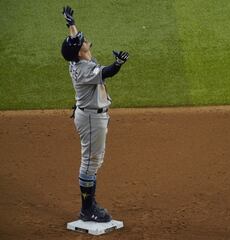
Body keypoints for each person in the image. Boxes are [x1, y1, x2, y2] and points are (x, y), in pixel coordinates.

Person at [60, 6, 129, 222]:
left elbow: (74, 41)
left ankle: (90, 203)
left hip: (91, 114)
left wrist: (70, 23)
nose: (85, 39)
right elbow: (107, 72)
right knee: (90, 161)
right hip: (91, 118)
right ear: (80, 52)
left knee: (94, 160)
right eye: (82, 41)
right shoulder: (83, 69)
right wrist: (118, 63)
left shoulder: (77, 57)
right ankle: (87, 209)